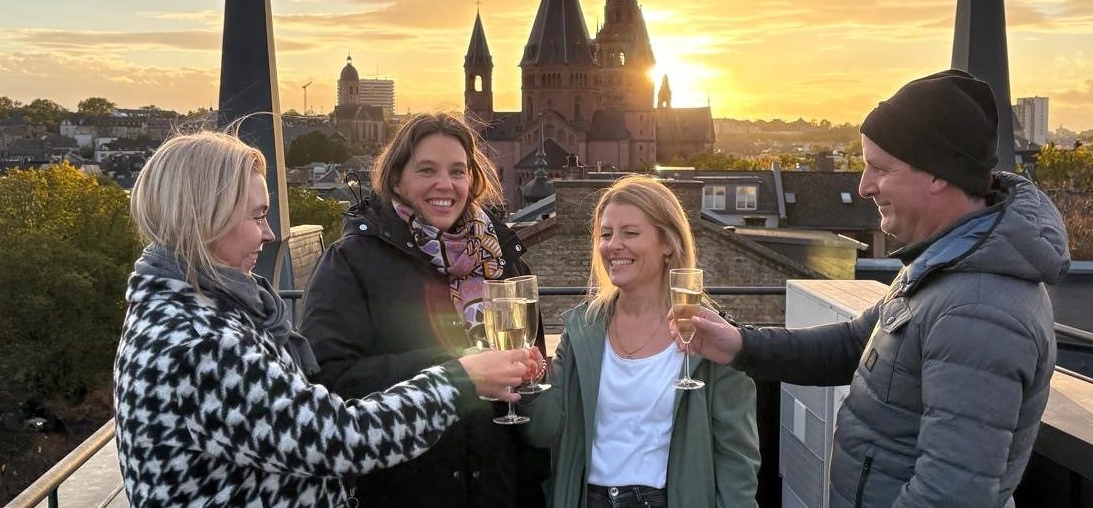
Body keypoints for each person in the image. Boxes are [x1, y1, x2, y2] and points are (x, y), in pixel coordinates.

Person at [678, 70, 1071, 508]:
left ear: (938, 174)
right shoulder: (947, 264)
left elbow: (951, 496)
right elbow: (852, 345)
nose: (864, 186)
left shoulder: (978, 308)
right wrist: (739, 345)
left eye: (880, 169)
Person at [113, 130, 531, 508]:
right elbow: (338, 438)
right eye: (257, 215)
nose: (269, 233)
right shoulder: (199, 343)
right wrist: (458, 379)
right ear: (206, 215)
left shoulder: (183, 311)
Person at [302, 113, 549, 508]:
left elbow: (528, 378)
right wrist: (456, 371)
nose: (445, 185)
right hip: (400, 490)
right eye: (427, 170)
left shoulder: (500, 258)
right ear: (396, 179)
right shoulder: (351, 262)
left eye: (458, 171)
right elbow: (328, 381)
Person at [524, 175, 759, 508]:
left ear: (667, 243)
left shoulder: (710, 333)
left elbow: (737, 455)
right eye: (606, 234)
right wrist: (529, 383)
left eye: (630, 233)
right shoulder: (581, 330)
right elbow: (543, 431)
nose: (613, 245)